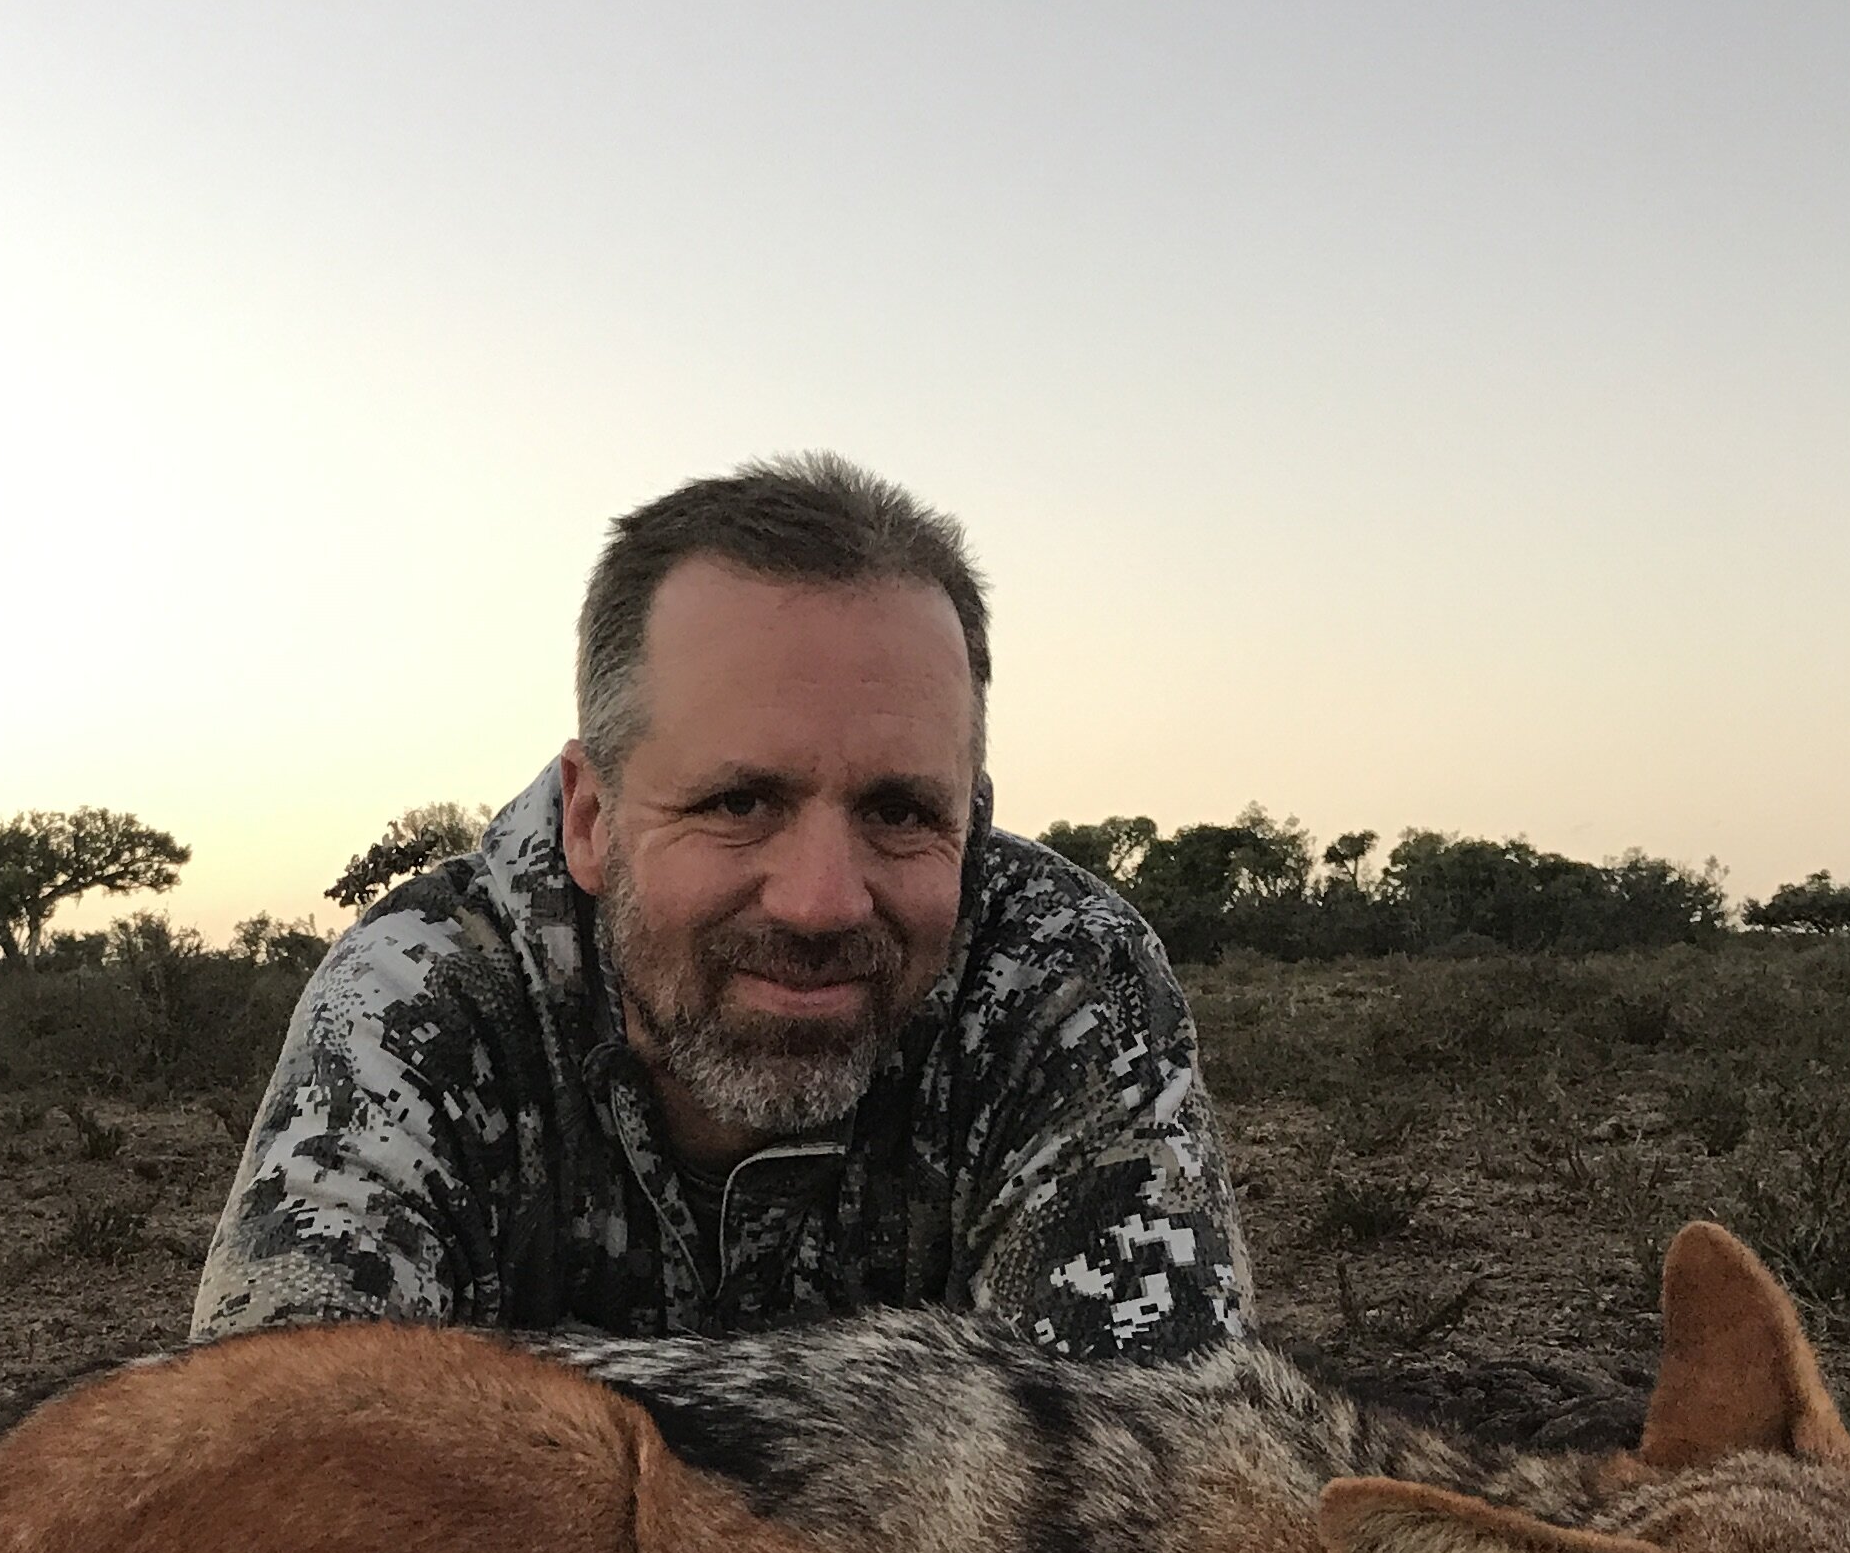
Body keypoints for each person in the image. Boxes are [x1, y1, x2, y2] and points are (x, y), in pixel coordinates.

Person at [190, 454, 1247, 1360]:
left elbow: (1151, 1515)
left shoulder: (1069, 983)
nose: (824, 902)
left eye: (900, 812)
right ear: (592, 819)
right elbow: (275, 1489)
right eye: (740, 803)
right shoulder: (421, 998)